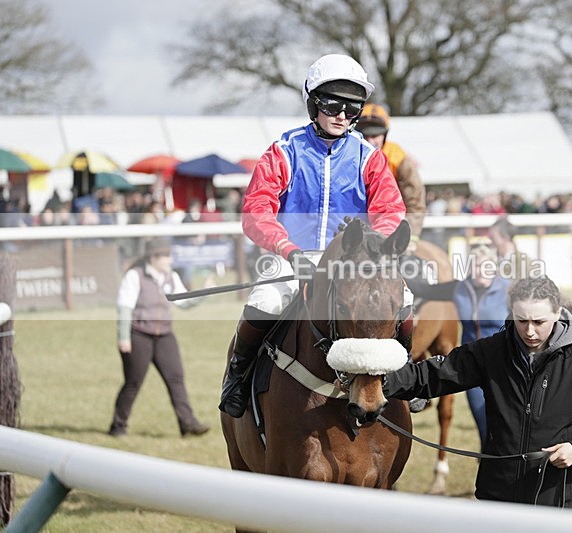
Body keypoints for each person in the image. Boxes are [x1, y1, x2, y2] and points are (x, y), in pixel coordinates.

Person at [219, 54, 407, 418]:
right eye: (332, 104)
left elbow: (391, 211)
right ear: (313, 104)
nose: (341, 115)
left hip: (355, 260)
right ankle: (238, 377)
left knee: (406, 299)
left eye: (352, 108)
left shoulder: (370, 158)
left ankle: (406, 377)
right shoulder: (283, 152)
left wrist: (373, 248)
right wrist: (288, 250)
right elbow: (256, 211)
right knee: (265, 303)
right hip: (292, 256)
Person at [382, 275, 572, 508]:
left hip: (555, 501)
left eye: (539, 322)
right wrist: (375, 378)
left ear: (557, 313)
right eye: (521, 320)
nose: (529, 331)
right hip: (496, 498)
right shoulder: (491, 353)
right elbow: (430, 375)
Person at [108, 237, 210, 437]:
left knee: (176, 379)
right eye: (166, 257)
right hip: (138, 335)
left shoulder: (170, 277)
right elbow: (124, 308)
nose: (170, 261)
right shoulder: (134, 276)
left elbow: (184, 302)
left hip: (164, 335)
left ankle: (188, 425)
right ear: (153, 257)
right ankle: (118, 427)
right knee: (133, 382)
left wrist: (204, 292)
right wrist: (123, 337)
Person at [453, 243, 510, 449]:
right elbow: (428, 290)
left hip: (505, 367)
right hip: (473, 367)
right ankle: (490, 470)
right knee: (484, 427)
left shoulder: (507, 289)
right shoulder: (460, 289)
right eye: (477, 266)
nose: (482, 271)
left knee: (505, 429)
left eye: (487, 266)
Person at [355, 103, 426, 253]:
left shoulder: (399, 158)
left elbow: (415, 202)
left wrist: (410, 237)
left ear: (385, 135)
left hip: (392, 227)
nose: (370, 141)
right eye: (364, 135)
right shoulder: (348, 154)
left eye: (374, 135)